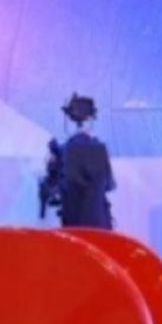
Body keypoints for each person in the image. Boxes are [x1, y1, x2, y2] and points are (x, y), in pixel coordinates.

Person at [57, 93, 115, 229]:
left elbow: (58, 185)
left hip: (75, 227)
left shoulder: (64, 150)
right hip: (101, 227)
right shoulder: (100, 149)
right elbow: (110, 185)